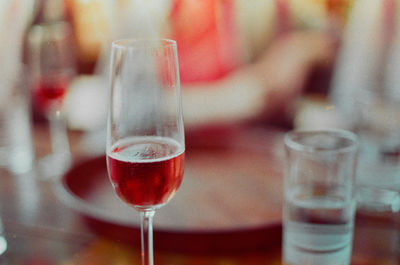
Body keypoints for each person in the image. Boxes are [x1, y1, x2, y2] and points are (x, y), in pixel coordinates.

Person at [65, 0, 347, 131]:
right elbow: (122, 109)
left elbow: (331, 38)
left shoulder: (259, 8)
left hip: (244, 165)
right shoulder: (144, 12)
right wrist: (236, 98)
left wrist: (301, 48)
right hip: (167, 168)